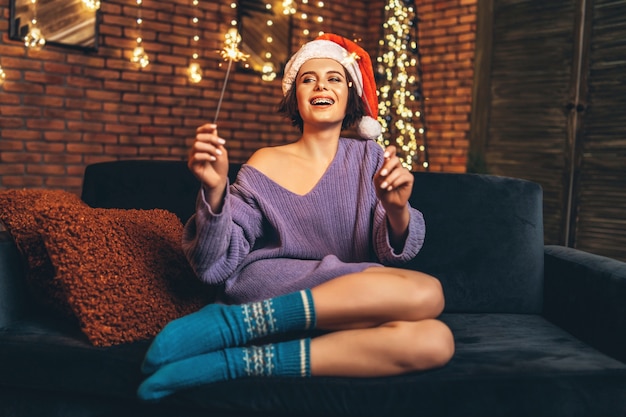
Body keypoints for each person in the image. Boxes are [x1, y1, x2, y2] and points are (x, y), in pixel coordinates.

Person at [137, 33, 454, 401]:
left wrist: (397, 207)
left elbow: (392, 249)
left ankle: (236, 361)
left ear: (351, 93)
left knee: (436, 341)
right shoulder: (264, 162)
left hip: (349, 300)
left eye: (334, 78)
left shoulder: (371, 159)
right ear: (295, 97)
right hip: (271, 287)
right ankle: (233, 322)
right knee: (428, 292)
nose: (321, 84)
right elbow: (214, 265)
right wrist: (214, 190)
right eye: (308, 78)